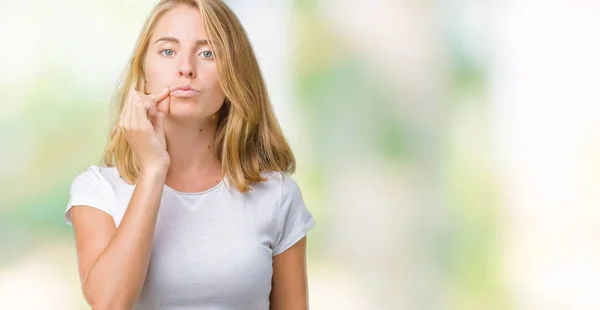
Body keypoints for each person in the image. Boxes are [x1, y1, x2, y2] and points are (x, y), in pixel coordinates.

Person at [63, 1, 315, 309]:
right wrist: (154, 169)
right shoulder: (97, 191)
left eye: (207, 52)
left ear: (233, 74)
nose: (186, 68)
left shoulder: (277, 195)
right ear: (143, 72)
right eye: (168, 51)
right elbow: (110, 303)